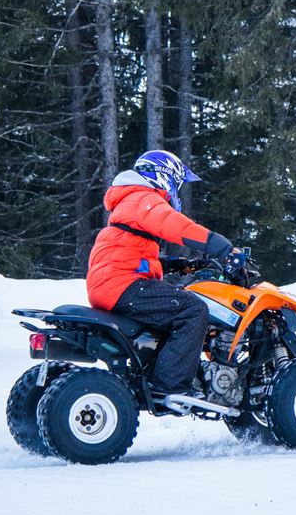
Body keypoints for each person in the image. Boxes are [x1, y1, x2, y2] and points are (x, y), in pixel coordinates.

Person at [86, 150, 236, 397]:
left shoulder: (130, 201)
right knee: (193, 309)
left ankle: (158, 371)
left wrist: (173, 264)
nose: (176, 190)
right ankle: (169, 387)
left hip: (112, 283)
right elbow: (176, 225)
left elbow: (128, 254)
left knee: (175, 302)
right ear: (163, 176)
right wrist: (223, 247)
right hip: (123, 285)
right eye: (177, 183)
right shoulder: (143, 197)